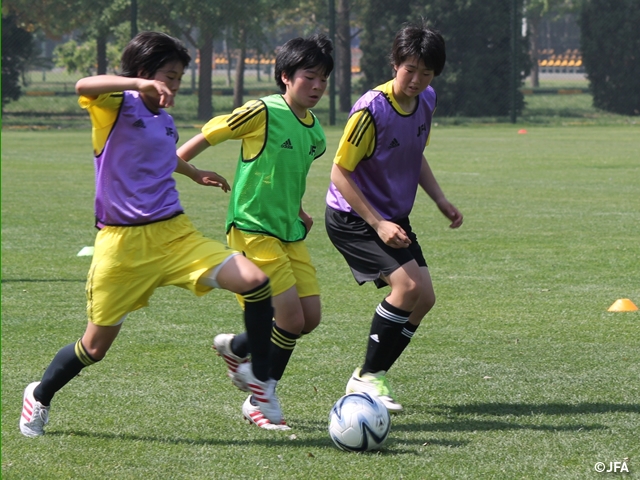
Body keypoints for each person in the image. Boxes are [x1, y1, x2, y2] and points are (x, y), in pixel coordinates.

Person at [19, 31, 281, 438]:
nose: (173, 86)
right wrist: (137, 85)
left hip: (174, 234)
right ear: (143, 73)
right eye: (168, 76)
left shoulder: (165, 119)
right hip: (121, 247)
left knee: (255, 281)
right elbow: (82, 85)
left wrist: (194, 173)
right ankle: (40, 394)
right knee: (94, 348)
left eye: (178, 78)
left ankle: (260, 387)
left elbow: (163, 155)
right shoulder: (113, 107)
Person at [177, 34, 333, 430]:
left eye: (323, 80)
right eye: (309, 77)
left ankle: (238, 346)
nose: (317, 87)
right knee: (291, 319)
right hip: (252, 229)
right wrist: (184, 168)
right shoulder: (262, 112)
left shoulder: (315, 134)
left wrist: (298, 210)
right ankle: (260, 397)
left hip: (289, 231)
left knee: (308, 318)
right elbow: (209, 135)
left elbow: (284, 174)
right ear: (285, 76)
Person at [324, 22, 463, 412]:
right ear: (395, 63)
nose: (417, 80)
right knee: (406, 288)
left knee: (424, 298)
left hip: (393, 216)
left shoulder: (427, 100)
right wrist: (378, 223)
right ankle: (366, 378)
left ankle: (372, 375)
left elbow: (415, 155)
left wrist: (439, 199)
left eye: (426, 73)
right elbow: (339, 171)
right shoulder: (372, 110)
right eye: (410, 70)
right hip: (353, 216)